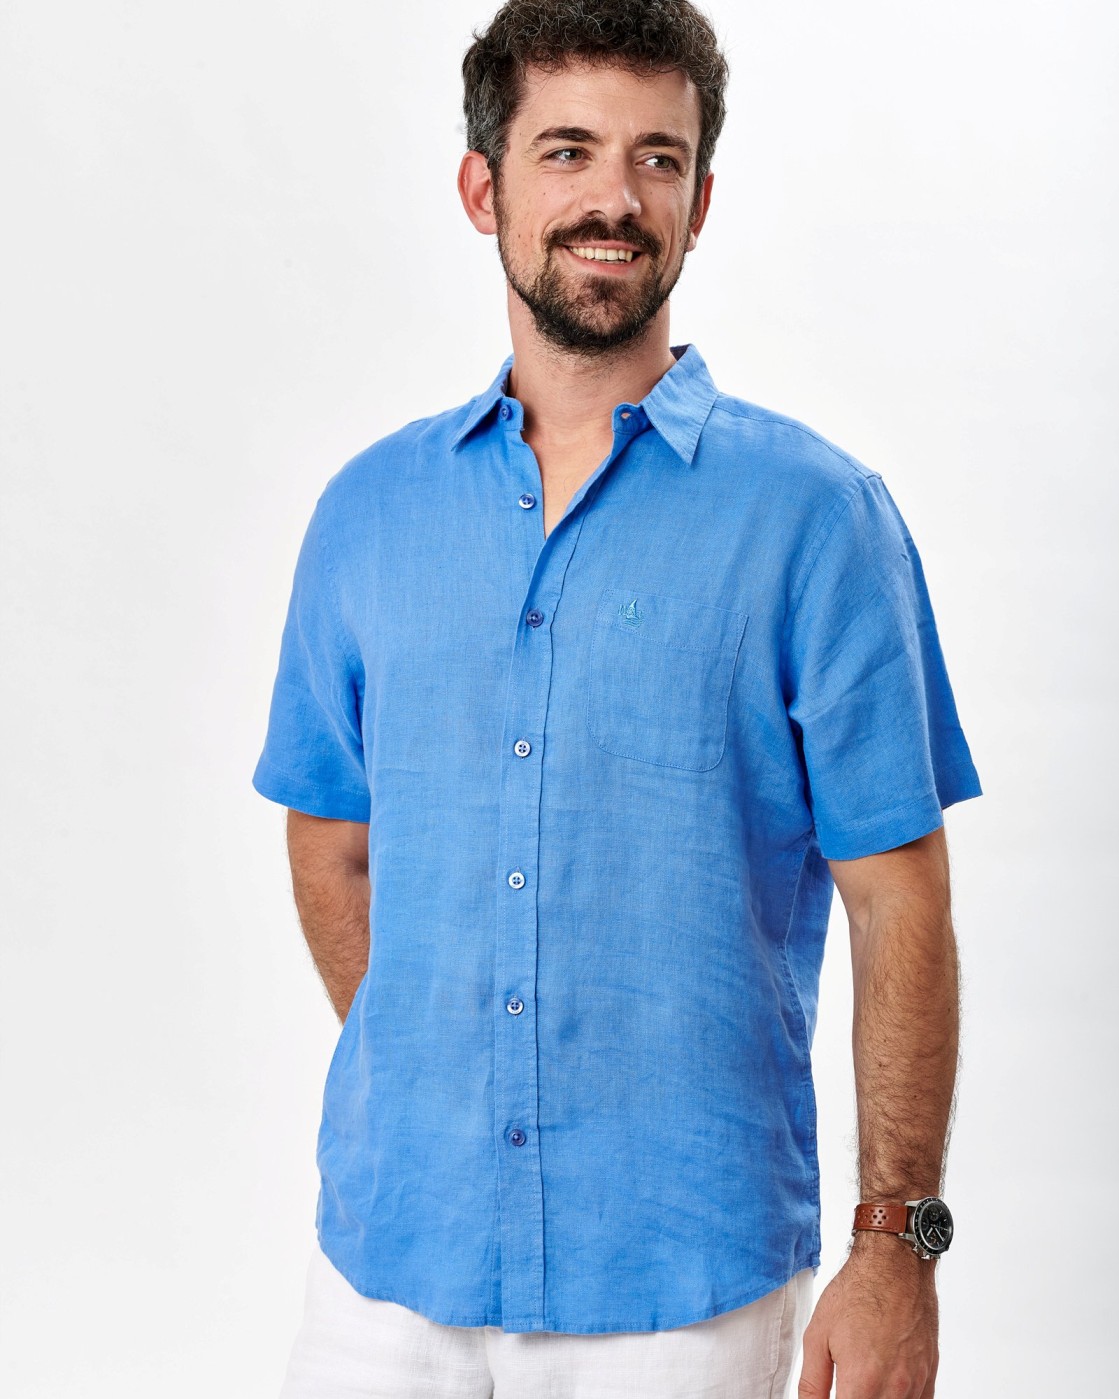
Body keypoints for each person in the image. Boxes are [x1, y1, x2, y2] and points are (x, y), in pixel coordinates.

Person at [251, 1, 982, 1395]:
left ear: (701, 203)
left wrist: (898, 1245)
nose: (616, 200)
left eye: (659, 158)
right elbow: (330, 840)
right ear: (485, 189)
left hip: (680, 1292)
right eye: (569, 150)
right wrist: (453, 1068)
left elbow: (902, 902)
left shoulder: (818, 520)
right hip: (384, 1267)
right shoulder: (367, 514)